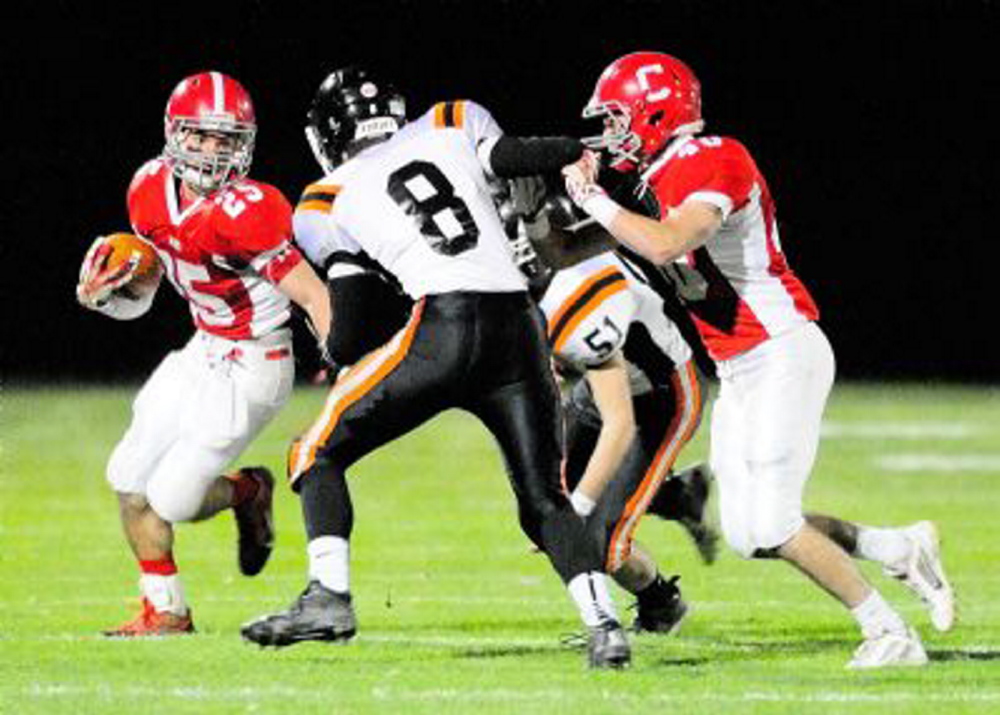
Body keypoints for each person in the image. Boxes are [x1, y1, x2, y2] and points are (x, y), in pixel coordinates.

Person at [560, 52, 954, 668]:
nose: (612, 136)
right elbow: (586, 242)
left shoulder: (714, 156)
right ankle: (897, 547)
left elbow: (668, 240)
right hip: (741, 369)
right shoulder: (659, 178)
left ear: (655, 111)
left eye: (618, 119)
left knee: (772, 523)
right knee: (749, 534)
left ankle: (889, 633)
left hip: (781, 352)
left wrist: (596, 199)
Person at [240, 67, 630, 668]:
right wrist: (576, 149)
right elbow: (514, 156)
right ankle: (604, 626)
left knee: (313, 451)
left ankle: (329, 596)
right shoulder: (450, 121)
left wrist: (347, 355)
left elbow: (346, 331)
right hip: (521, 329)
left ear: (329, 134)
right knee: (544, 499)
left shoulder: (325, 197)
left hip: (445, 327)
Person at [76, 71, 332, 636]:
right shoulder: (147, 188)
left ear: (246, 145)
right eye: (201, 136)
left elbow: (314, 294)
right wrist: (116, 287)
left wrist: (345, 367)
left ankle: (249, 490)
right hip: (204, 348)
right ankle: (167, 609)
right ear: (174, 134)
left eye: (227, 140)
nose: (213, 152)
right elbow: (161, 273)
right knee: (127, 474)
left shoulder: (252, 208)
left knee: (172, 496)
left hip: (256, 363)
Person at [501, 186, 719, 635]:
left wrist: (578, 508)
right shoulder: (552, 279)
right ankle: (676, 496)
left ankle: (662, 604)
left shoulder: (578, 293)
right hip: (600, 390)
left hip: (661, 401)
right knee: (541, 504)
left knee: (598, 545)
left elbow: (619, 425)